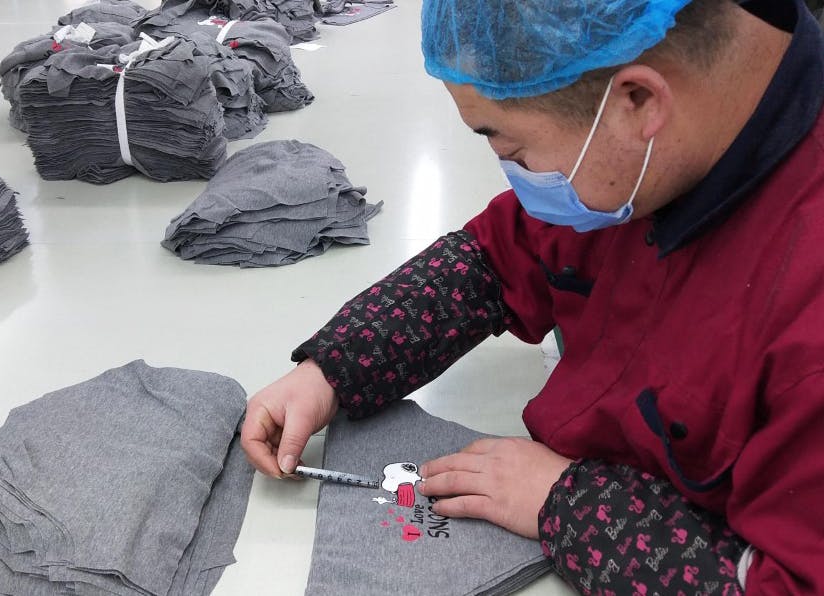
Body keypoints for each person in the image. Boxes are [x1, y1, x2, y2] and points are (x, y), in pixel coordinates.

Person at [241, 0, 824, 592]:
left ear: (638, 102)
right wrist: (335, 368)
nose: (519, 181)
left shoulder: (805, 312)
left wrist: (569, 504)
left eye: (515, 153)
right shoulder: (655, 152)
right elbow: (497, 257)